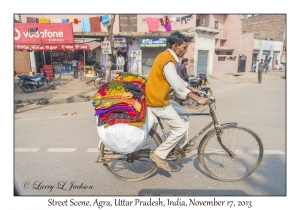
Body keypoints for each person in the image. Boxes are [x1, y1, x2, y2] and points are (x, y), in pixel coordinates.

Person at [146, 31, 210, 172]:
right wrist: (197, 99)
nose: (186, 50)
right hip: (157, 101)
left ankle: (181, 144)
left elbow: (178, 79)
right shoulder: (167, 60)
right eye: (184, 47)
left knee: (183, 113)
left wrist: (193, 89)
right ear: (176, 46)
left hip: (162, 98)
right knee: (180, 128)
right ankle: (158, 155)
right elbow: (176, 84)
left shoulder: (169, 57)